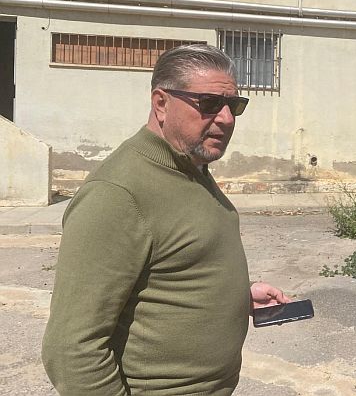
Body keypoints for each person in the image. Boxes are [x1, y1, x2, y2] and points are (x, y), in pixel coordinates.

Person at [42, 44, 290, 395]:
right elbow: (71, 349)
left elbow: (174, 263)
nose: (226, 118)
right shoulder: (117, 193)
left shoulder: (190, 165)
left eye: (233, 105)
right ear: (161, 103)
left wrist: (236, 296)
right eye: (209, 103)